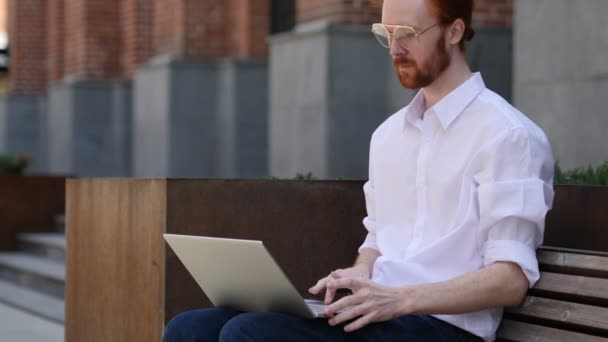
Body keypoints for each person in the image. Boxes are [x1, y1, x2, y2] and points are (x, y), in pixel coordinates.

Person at [162, 0, 554, 341]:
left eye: (407, 33)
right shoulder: (388, 137)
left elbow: (510, 279)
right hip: (379, 316)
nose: (394, 48)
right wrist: (358, 276)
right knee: (190, 328)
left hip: (445, 328)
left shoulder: (508, 135)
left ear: (454, 31)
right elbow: (376, 244)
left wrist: (399, 299)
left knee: (247, 333)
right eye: (385, 33)